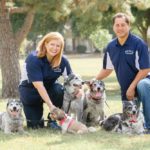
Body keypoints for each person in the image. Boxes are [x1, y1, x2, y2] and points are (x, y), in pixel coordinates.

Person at [95, 12, 150, 133]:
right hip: (126, 89)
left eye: (123, 25)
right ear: (113, 27)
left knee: (144, 85)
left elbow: (145, 69)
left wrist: (132, 86)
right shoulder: (110, 46)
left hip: (144, 82)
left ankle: (149, 125)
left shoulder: (139, 44)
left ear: (129, 26)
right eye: (117, 25)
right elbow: (107, 69)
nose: (120, 28)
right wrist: (94, 80)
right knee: (128, 122)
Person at [19, 32, 72, 129]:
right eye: (52, 44)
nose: (55, 48)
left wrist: (79, 92)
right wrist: (51, 106)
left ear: (61, 48)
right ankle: (38, 119)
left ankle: (53, 119)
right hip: (31, 93)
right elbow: (39, 86)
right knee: (36, 127)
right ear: (45, 44)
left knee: (59, 89)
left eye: (58, 46)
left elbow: (72, 80)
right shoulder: (33, 59)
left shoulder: (63, 60)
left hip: (51, 90)